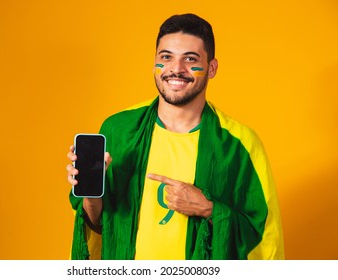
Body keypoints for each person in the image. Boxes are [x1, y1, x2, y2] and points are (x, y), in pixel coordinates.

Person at [66, 13, 285, 260]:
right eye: (166, 57)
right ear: (154, 63)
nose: (176, 69)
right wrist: (90, 192)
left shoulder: (239, 144)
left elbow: (263, 235)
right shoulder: (119, 130)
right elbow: (98, 224)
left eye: (190, 59)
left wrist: (208, 209)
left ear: (211, 68)